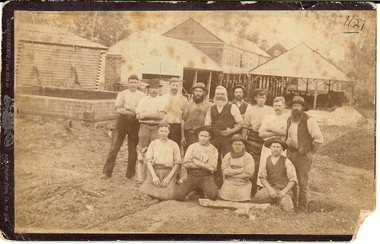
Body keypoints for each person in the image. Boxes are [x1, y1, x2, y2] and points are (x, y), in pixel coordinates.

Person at [101, 74, 146, 179]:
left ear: (138, 83)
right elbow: (119, 110)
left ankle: (130, 174)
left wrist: (127, 107)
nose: (133, 84)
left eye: (135, 82)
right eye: (131, 82)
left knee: (132, 150)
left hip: (135, 123)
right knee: (114, 148)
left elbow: (141, 110)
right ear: (128, 83)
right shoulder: (122, 94)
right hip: (122, 122)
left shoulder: (142, 96)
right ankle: (106, 172)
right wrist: (134, 111)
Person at [285, 96, 323, 213]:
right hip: (291, 153)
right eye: (294, 106)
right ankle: (293, 206)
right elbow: (288, 136)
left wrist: (310, 153)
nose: (296, 108)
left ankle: (302, 209)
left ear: (303, 107)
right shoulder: (290, 119)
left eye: (298, 106)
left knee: (302, 182)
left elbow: (318, 139)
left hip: (303, 156)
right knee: (291, 180)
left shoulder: (309, 120)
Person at [205, 86, 244, 188]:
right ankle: (217, 185)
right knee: (215, 161)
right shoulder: (211, 108)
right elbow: (207, 125)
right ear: (215, 95)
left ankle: (230, 184)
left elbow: (240, 123)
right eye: (218, 94)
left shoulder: (232, 107)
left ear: (226, 95)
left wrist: (231, 131)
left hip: (228, 138)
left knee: (229, 160)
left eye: (222, 94)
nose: (220, 96)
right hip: (214, 138)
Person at [241, 89, 274, 195]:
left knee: (266, 162)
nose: (261, 100)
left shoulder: (270, 110)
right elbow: (245, 125)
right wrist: (242, 140)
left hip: (267, 138)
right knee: (254, 163)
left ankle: (265, 189)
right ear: (255, 98)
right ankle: (252, 189)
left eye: (264, 97)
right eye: (259, 97)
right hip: (253, 138)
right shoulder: (250, 109)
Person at [253, 138, 298, 212]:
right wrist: (270, 189)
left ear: (282, 149)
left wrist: (284, 191)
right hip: (270, 188)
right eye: (273, 146)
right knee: (258, 198)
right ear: (270, 147)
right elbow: (262, 177)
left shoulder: (287, 161)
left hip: (283, 189)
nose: (275, 149)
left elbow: (293, 180)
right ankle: (273, 202)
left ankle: (279, 201)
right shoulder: (266, 160)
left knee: (288, 209)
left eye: (278, 147)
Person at [175, 126, 219, 201]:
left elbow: (212, 168)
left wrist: (196, 162)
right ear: (198, 136)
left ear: (209, 137)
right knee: (178, 196)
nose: (203, 138)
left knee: (213, 195)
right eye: (201, 135)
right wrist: (205, 165)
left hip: (206, 176)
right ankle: (194, 190)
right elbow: (186, 164)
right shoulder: (192, 147)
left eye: (205, 136)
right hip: (192, 175)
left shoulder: (213, 149)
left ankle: (200, 190)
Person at [139, 122, 181, 200]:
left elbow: (177, 163)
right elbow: (148, 161)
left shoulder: (173, 144)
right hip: (155, 171)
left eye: (165, 131)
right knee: (143, 190)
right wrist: (154, 176)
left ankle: (157, 195)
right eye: (161, 131)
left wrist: (168, 178)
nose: (163, 133)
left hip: (168, 172)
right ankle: (156, 194)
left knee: (170, 195)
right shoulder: (153, 143)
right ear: (158, 131)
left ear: (169, 132)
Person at [135, 78, 166, 183]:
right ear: (148, 89)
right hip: (144, 127)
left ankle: (153, 177)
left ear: (159, 90)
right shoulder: (143, 100)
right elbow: (138, 115)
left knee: (155, 153)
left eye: (156, 88)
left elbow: (160, 115)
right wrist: (144, 116)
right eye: (152, 88)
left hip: (156, 128)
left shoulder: (162, 100)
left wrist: (145, 114)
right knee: (142, 152)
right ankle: (141, 178)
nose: (154, 90)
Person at [257, 96, 288, 187]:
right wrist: (277, 134)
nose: (277, 108)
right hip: (268, 147)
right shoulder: (268, 117)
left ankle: (279, 187)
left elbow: (285, 132)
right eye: (275, 106)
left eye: (279, 105)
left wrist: (270, 128)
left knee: (280, 166)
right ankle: (262, 187)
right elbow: (261, 134)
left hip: (282, 147)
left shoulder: (287, 118)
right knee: (266, 166)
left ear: (284, 106)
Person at [219, 134, 255, 202]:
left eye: (239, 144)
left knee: (243, 200)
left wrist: (231, 172)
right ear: (232, 145)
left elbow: (249, 173)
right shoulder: (228, 156)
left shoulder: (248, 157)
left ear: (244, 146)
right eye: (235, 144)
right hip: (230, 181)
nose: (237, 146)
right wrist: (240, 170)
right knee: (224, 199)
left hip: (244, 183)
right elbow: (225, 171)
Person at [181, 82, 212, 151]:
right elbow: (183, 120)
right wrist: (183, 136)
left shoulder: (209, 105)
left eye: (200, 91)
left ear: (204, 93)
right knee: (188, 154)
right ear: (193, 92)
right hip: (189, 134)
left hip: (202, 136)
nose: (198, 93)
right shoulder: (188, 105)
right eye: (196, 91)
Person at [161, 78, 188, 147]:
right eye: (173, 85)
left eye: (177, 85)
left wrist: (182, 135)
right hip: (164, 127)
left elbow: (183, 118)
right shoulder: (163, 98)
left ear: (179, 86)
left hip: (176, 128)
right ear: (169, 85)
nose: (175, 87)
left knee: (175, 148)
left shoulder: (183, 99)